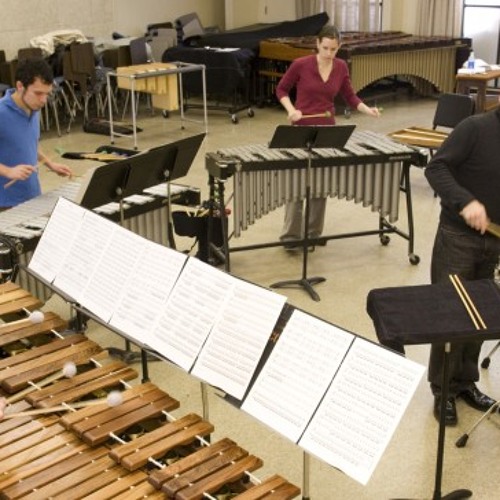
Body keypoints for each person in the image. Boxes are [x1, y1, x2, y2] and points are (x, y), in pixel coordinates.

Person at [425, 105, 500, 426]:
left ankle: (466, 382)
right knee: (451, 314)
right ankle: (443, 389)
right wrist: (465, 201)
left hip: (494, 241)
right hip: (458, 237)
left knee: (480, 315)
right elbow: (436, 168)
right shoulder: (474, 127)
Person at [275, 25, 380, 249]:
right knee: (296, 185)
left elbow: (350, 96)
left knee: (319, 186)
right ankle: (291, 238)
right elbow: (281, 90)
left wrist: (367, 109)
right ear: (317, 44)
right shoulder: (301, 64)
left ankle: (313, 235)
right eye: (325, 48)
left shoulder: (341, 66)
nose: (329, 53)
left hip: (327, 132)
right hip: (301, 129)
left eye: (333, 49)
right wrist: (290, 110)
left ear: (339, 47)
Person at [0, 57, 72, 208]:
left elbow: (30, 143)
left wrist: (50, 164)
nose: (44, 100)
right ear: (20, 86)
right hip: (5, 203)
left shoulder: (34, 108)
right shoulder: (2, 113)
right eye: (38, 93)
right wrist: (8, 171)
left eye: (47, 94)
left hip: (32, 196)